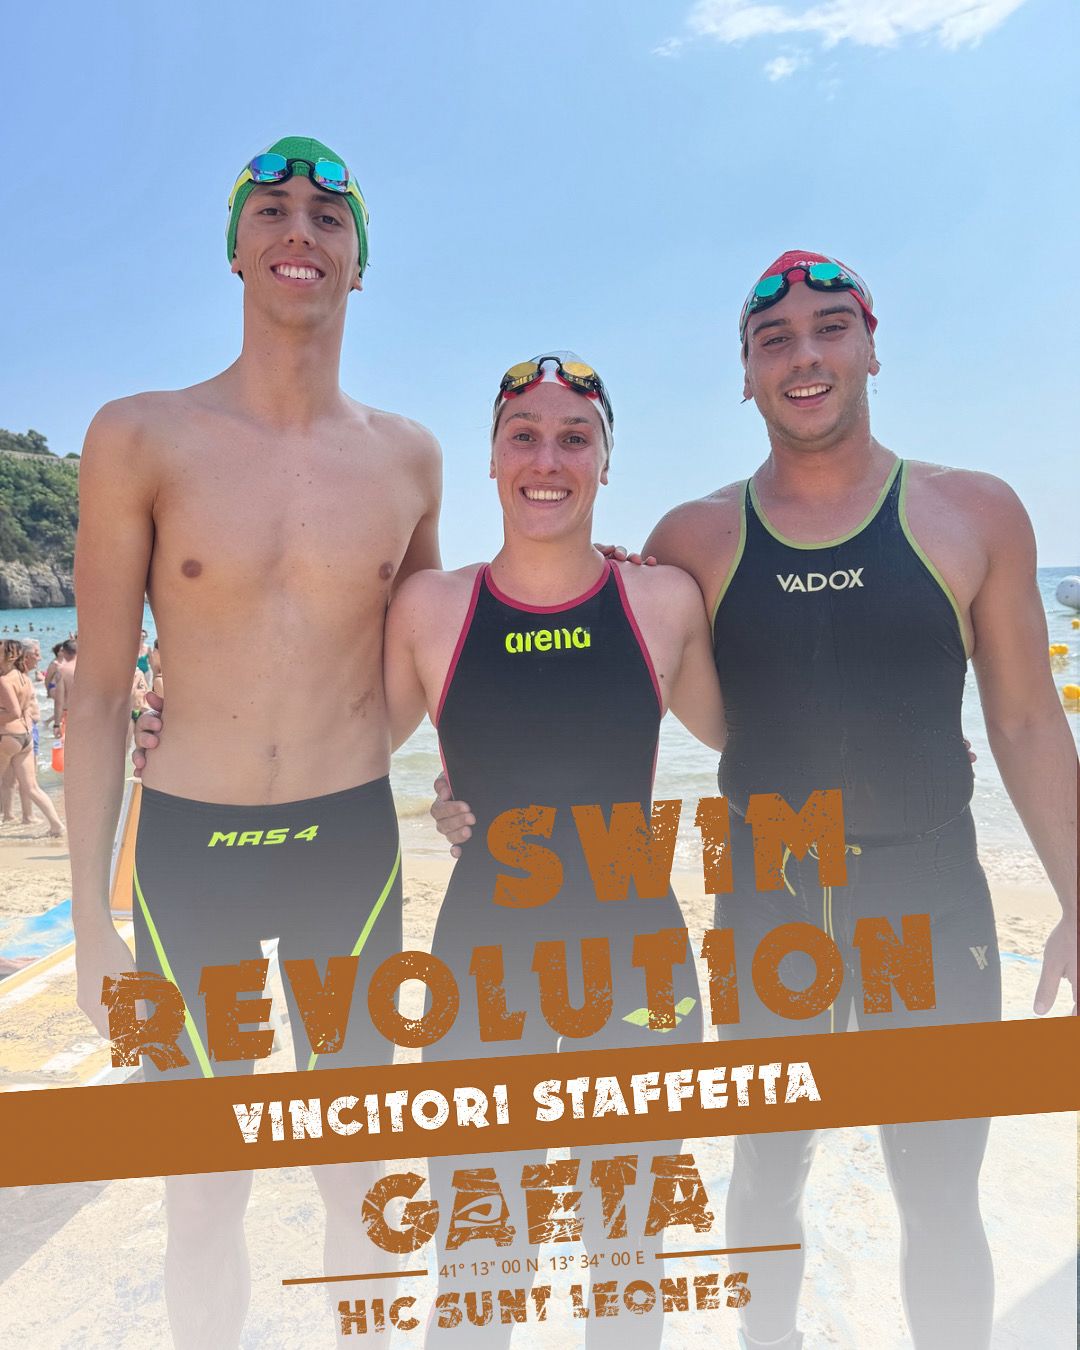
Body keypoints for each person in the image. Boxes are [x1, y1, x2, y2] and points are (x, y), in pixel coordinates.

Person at [432, 253, 1078, 1350]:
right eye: (774, 341)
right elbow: (610, 659)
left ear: (871, 347)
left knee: (939, 1195)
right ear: (744, 375)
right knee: (767, 1178)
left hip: (932, 899)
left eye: (831, 328)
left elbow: (1025, 720)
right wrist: (474, 776)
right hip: (770, 907)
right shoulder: (694, 540)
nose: (805, 356)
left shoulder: (974, 511)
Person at [67, 135, 441, 1350]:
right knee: (201, 1192)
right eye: (272, 209)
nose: (299, 231)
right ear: (234, 247)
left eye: (329, 216)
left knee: (357, 1172)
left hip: (349, 850)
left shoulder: (408, 458)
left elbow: (427, 652)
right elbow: (98, 696)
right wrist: (90, 922)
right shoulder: (141, 436)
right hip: (189, 860)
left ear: (358, 263)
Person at [381, 353, 724, 1347]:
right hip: (485, 961)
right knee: (481, 1265)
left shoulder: (661, 602)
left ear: (605, 463)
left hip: (639, 960)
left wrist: (898, 740)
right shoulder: (431, 608)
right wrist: (179, 728)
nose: (547, 459)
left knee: (629, 1262)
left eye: (576, 438)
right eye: (523, 436)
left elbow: (754, 744)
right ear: (491, 459)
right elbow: (340, 752)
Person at [0, 639, 63, 836]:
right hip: (25, 737)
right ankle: (56, 825)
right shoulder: (24, 677)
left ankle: (12, 817)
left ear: (9, 656)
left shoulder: (4, 680)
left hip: (7, 736)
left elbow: (13, 711)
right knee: (32, 787)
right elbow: (26, 709)